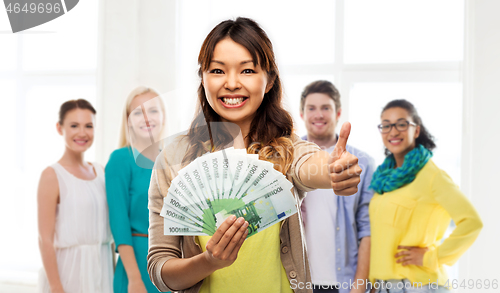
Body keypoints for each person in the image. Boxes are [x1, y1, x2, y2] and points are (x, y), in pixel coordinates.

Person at [147, 17, 362, 293]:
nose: (232, 83)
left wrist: (333, 171)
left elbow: (308, 166)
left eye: (247, 71)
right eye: (217, 71)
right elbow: (161, 270)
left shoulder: (286, 150)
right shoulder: (173, 158)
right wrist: (209, 261)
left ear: (269, 80)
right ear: (203, 78)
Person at [368, 99, 483, 292]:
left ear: (417, 130)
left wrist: (432, 257)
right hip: (383, 286)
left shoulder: (432, 176)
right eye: (386, 125)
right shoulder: (383, 179)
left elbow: (472, 222)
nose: (393, 131)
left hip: (418, 286)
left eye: (402, 124)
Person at [299, 80, 375, 293]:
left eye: (326, 108)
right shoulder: (288, 159)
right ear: (302, 114)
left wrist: (359, 286)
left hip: (344, 283)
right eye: (311, 108)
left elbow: (367, 229)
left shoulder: (362, 162)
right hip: (297, 282)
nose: (319, 115)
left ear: (338, 112)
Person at [37, 99, 113, 293]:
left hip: (102, 270)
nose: (82, 133)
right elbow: (44, 239)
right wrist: (56, 287)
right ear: (59, 128)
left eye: (88, 126)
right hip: (69, 273)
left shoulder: (102, 172)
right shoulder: (51, 175)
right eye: (74, 125)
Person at [105, 86, 169, 293]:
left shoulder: (171, 161)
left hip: (171, 265)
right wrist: (134, 279)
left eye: (152, 110)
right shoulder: (120, 160)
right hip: (137, 265)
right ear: (128, 121)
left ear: (162, 116)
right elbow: (119, 224)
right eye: (137, 112)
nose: (146, 118)